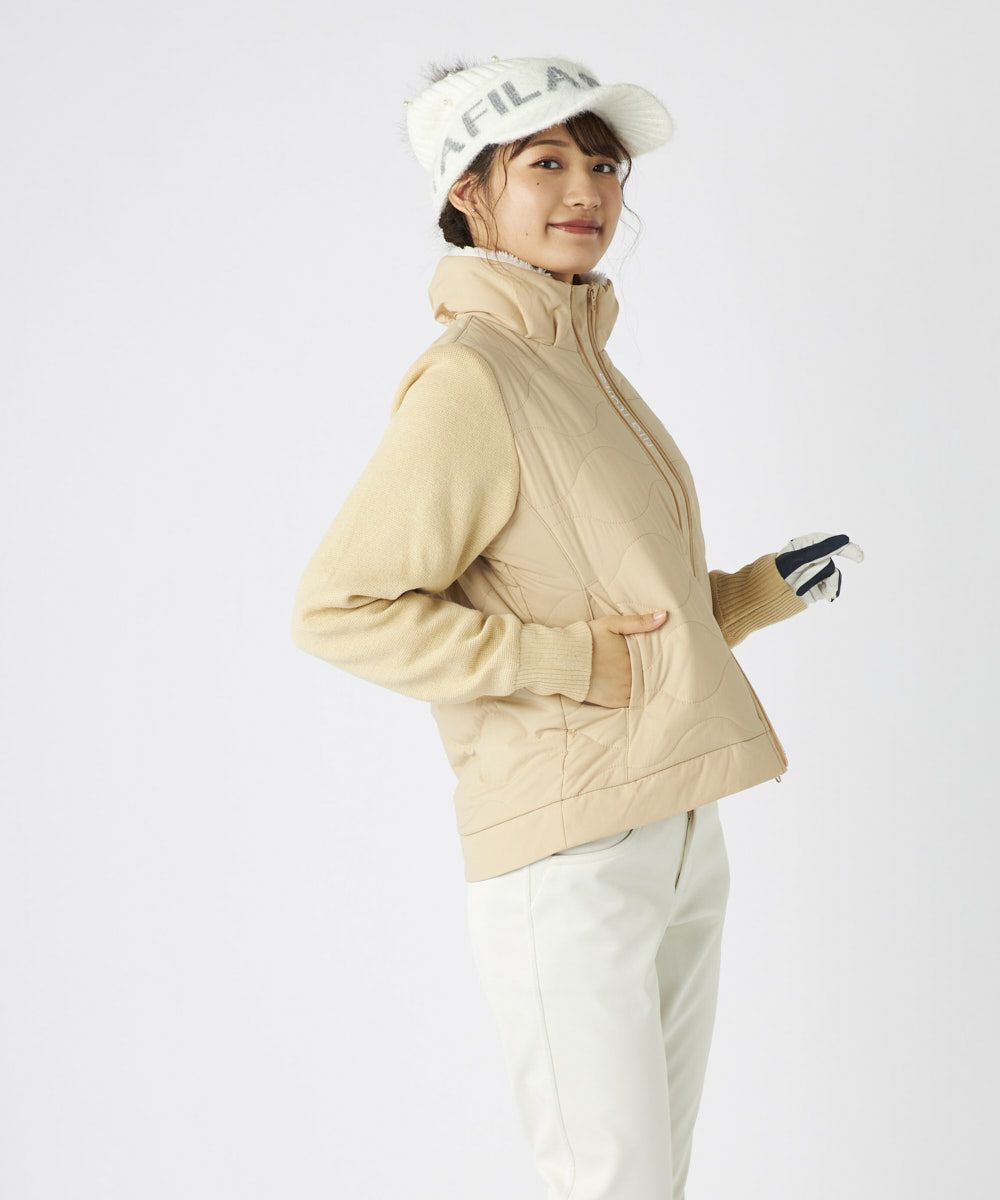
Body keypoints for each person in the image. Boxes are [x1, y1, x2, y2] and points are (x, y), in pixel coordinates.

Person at [290, 54, 864, 1200]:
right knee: (611, 1184)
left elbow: (619, 609)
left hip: (677, 821)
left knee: (650, 1182)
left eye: (602, 166)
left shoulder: (583, 366)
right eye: (545, 163)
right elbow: (338, 610)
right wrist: (562, 662)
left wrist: (756, 593)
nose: (586, 191)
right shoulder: (476, 378)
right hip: (569, 849)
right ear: (468, 191)